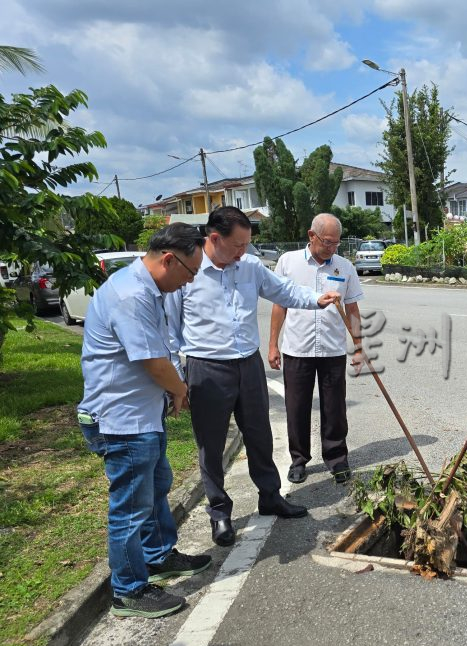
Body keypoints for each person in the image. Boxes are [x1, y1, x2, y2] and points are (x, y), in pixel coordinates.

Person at [165, 207, 339, 547]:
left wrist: (316, 299)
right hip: (206, 367)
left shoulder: (249, 266)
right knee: (211, 444)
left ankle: (270, 496)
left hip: (248, 364)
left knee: (260, 435)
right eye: (237, 245)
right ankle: (219, 512)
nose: (242, 252)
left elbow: (284, 290)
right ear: (214, 238)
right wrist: (176, 378)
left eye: (246, 245)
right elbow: (169, 331)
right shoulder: (188, 271)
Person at [78, 223, 211, 618]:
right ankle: (128, 591)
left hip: (142, 415)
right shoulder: (132, 295)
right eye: (190, 272)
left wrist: (172, 390)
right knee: (131, 509)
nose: (190, 281)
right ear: (169, 259)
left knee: (155, 489)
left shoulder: (149, 289)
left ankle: (157, 556)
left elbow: (161, 349)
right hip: (122, 421)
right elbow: (152, 361)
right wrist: (180, 390)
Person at [268, 214, 364, 485]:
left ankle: (337, 458)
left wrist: (359, 346)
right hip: (297, 348)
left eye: (336, 243)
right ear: (312, 236)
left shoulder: (345, 267)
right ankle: (298, 460)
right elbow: (279, 305)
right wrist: (273, 344)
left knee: (335, 408)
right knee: (296, 407)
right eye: (327, 242)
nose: (332, 248)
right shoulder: (288, 262)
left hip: (332, 349)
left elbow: (353, 308)